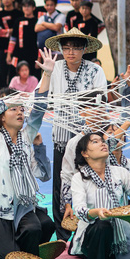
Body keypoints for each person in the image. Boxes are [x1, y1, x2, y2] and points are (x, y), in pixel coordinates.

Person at [0, 49, 57, 259]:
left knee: (34, 228)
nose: (21, 112)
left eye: (22, 108)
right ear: (1, 116)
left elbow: (39, 109)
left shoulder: (27, 134)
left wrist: (48, 75)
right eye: (14, 109)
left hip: (23, 204)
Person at [44, 27, 107, 241]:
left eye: (76, 48)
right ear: (61, 49)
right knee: (62, 182)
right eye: (67, 48)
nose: (71, 52)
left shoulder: (95, 71)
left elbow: (101, 104)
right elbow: (44, 98)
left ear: (85, 49)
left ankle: (89, 231)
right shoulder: (55, 68)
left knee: (90, 180)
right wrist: (46, 73)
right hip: (62, 136)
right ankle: (62, 234)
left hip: (87, 136)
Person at [0, 0, 23, 84]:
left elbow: (19, 32)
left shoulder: (19, 14)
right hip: (2, 48)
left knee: (15, 73)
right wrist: (11, 31)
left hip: (16, 49)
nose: (6, 0)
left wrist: (9, 32)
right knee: (2, 74)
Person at [9, 0, 39, 79]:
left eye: (28, 6)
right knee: (14, 75)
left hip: (33, 54)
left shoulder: (38, 21)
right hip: (18, 53)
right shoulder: (18, 21)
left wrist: (39, 58)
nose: (26, 8)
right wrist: (9, 54)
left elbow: (40, 42)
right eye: (24, 6)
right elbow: (13, 39)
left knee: (33, 77)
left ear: (33, 8)